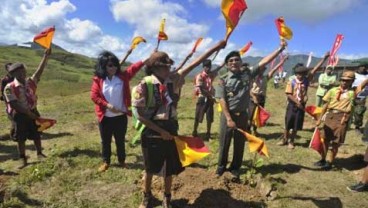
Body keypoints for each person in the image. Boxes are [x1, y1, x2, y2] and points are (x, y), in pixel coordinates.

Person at [134, 40, 226, 208]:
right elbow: (140, 116)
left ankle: (166, 197)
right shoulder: (143, 86)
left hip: (170, 127)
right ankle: (147, 197)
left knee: (168, 166)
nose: (168, 69)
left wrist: (215, 47)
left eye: (168, 66)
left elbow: (195, 63)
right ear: (154, 68)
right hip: (151, 129)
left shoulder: (174, 80)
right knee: (149, 167)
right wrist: (159, 131)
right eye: (164, 66)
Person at [215, 40, 287, 180]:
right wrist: (229, 119)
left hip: (243, 115)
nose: (234, 62)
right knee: (224, 142)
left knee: (239, 143)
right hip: (228, 116)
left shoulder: (247, 74)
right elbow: (222, 100)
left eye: (237, 60)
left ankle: (235, 168)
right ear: (227, 64)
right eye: (231, 61)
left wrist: (279, 50)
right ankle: (221, 168)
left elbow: (263, 62)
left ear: (241, 62)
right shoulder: (222, 79)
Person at [90, 49, 146, 172]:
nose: (113, 67)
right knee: (106, 141)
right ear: (104, 66)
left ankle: (122, 161)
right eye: (110, 65)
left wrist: (145, 60)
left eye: (115, 64)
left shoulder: (122, 77)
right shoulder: (99, 80)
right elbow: (94, 96)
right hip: (105, 118)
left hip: (120, 116)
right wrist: (107, 105)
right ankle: (106, 162)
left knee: (120, 140)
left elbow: (133, 68)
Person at [3, 49, 51, 168]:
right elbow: (14, 104)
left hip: (33, 111)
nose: (22, 74)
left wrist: (45, 56)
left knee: (37, 133)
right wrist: (28, 113)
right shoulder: (9, 87)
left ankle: (40, 153)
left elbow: (39, 72)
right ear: (13, 74)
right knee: (20, 137)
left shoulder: (29, 82)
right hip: (19, 114)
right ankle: (22, 158)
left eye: (23, 71)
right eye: (18, 72)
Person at [315, 71, 368, 170]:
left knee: (336, 142)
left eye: (347, 81)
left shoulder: (352, 93)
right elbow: (325, 105)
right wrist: (319, 119)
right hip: (330, 116)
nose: (344, 82)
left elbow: (362, 85)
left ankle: (330, 162)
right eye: (343, 80)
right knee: (325, 140)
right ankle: (322, 159)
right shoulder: (333, 90)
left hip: (342, 118)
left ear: (352, 82)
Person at [278, 52, 330, 149]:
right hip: (292, 105)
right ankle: (284, 139)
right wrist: (297, 103)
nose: (300, 76)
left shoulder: (306, 81)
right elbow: (289, 94)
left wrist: (324, 58)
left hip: (301, 106)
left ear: (305, 74)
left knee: (296, 125)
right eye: (298, 74)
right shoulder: (291, 82)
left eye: (302, 74)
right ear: (296, 74)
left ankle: (291, 141)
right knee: (288, 123)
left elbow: (315, 69)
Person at [249, 55, 288, 136]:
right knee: (250, 115)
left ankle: (255, 130)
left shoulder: (265, 78)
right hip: (252, 98)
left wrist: (282, 62)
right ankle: (247, 130)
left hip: (261, 98)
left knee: (258, 115)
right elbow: (248, 89)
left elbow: (274, 69)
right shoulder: (252, 78)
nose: (262, 71)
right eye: (261, 69)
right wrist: (253, 97)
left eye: (263, 70)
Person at [192, 60, 224, 140]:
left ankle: (208, 133)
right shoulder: (200, 76)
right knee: (198, 115)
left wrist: (224, 61)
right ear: (203, 67)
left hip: (210, 99)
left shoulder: (211, 74)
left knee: (209, 117)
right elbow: (200, 88)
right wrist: (210, 96)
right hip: (202, 98)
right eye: (206, 67)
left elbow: (219, 68)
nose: (208, 68)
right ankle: (194, 131)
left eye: (209, 67)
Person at [352, 63, 368, 134]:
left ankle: (357, 126)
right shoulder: (354, 75)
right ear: (358, 67)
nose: (364, 68)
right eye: (362, 66)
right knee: (348, 111)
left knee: (359, 112)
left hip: (363, 96)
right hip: (352, 95)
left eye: (365, 66)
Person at [1, 63, 15, 137]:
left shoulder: (16, 78)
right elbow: (3, 91)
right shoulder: (5, 80)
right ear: (7, 70)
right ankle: (13, 134)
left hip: (18, 99)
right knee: (13, 116)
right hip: (10, 101)